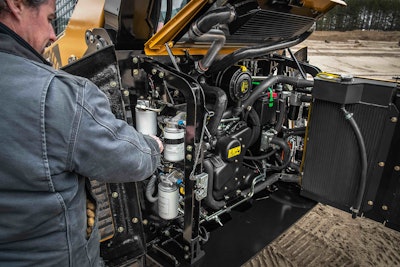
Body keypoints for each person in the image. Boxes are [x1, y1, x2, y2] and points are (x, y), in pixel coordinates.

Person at [0, 0, 163, 266]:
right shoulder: (55, 94)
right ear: (16, 5)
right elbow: (131, 160)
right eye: (51, 19)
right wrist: (153, 147)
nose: (54, 35)